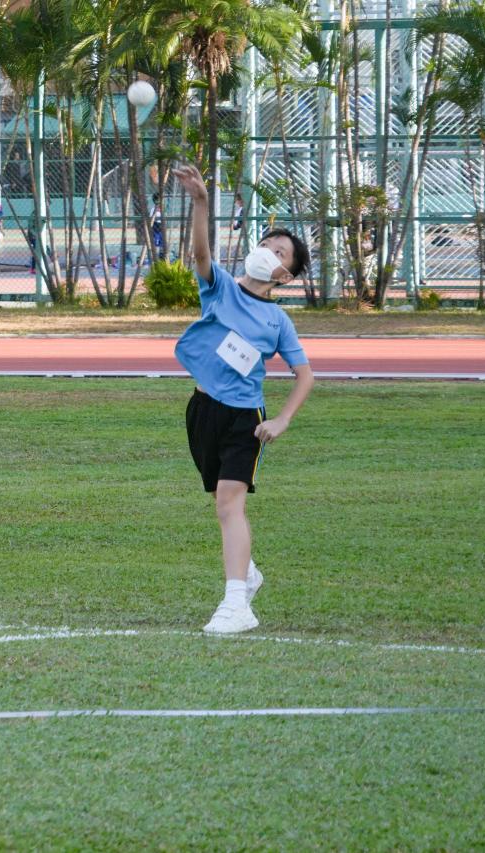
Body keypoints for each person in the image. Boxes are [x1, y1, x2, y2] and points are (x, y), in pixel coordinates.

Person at [170, 163, 315, 635]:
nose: (269, 252)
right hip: (201, 411)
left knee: (230, 504)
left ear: (285, 275)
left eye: (280, 253)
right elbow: (200, 253)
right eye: (267, 244)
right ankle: (246, 570)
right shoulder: (220, 289)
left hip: (243, 420)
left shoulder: (278, 321)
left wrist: (283, 419)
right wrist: (200, 202)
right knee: (220, 499)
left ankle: (237, 605)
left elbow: (305, 375)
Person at [150, 193, 166, 262]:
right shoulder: (153, 209)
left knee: (162, 243)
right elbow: (151, 219)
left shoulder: (163, 209)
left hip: (161, 227)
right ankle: (155, 258)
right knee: (156, 242)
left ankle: (161, 257)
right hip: (155, 226)